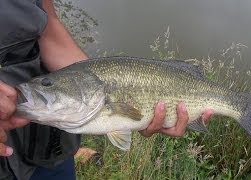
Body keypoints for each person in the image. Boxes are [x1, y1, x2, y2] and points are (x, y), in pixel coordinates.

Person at [0, 0, 214, 179]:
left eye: (46, 84)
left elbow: (48, 28)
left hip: (49, 149)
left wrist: (133, 107)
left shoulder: (91, 95)